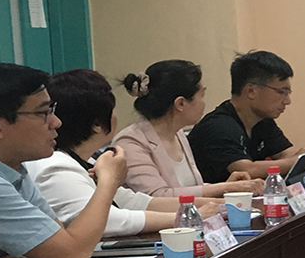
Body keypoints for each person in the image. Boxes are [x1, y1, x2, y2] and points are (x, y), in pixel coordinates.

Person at [0, 62, 129, 258]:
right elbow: (72, 255)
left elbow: (57, 236)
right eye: (43, 113)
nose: (56, 122)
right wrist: (109, 181)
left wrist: (27, 254)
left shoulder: (9, 164)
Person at [27, 69, 219, 237]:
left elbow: (137, 202)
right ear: (97, 124)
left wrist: (218, 204)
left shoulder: (87, 161)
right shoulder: (56, 167)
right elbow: (108, 221)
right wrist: (185, 218)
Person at [112, 60, 261, 198]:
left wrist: (228, 187)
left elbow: (190, 188)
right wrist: (224, 188)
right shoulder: (130, 142)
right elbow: (157, 196)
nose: (203, 103)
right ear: (181, 104)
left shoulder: (178, 133)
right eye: (201, 96)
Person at [187, 51, 305, 184]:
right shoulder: (219, 126)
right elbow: (247, 170)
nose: (287, 101)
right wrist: (299, 160)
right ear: (251, 91)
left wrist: (303, 156)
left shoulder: (263, 120)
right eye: (281, 92)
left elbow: (286, 153)